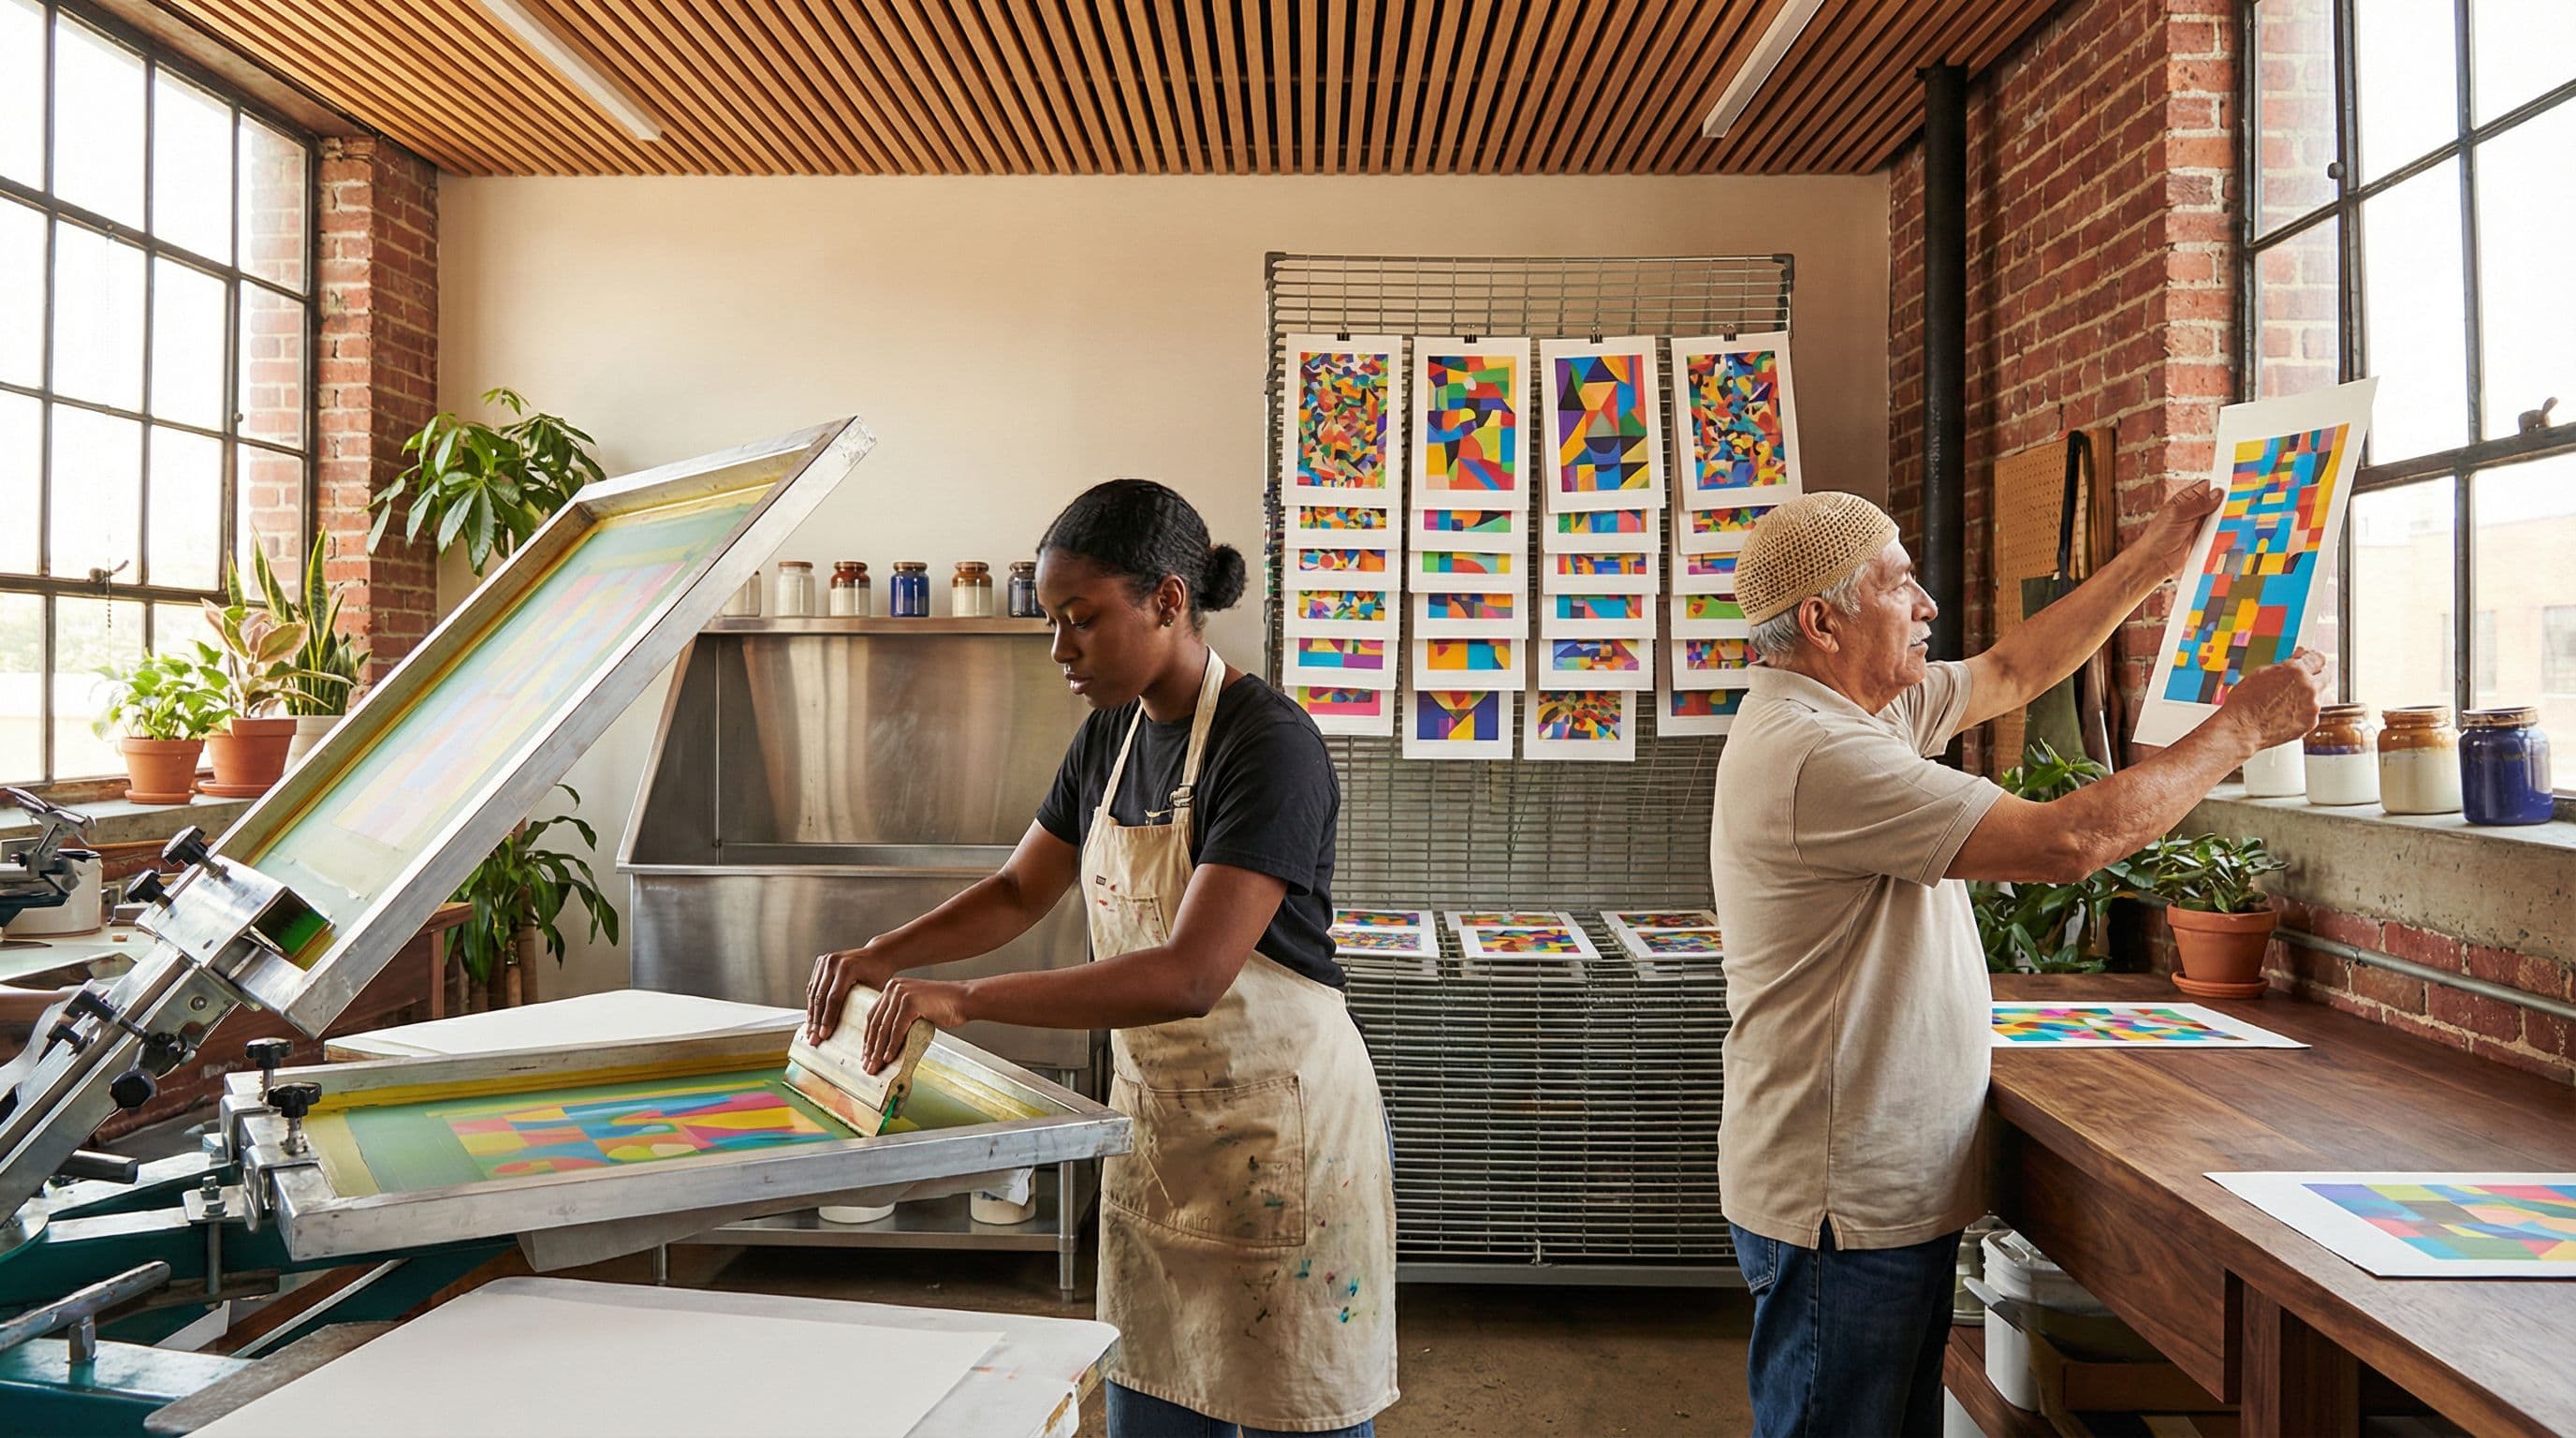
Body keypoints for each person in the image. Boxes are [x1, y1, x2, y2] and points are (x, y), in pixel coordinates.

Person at [1711, 487, 2327, 1436]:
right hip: (1843, 1201)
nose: (1926, 608)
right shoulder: (1815, 749)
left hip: (1873, 1188)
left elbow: (2009, 668)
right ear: (1823, 623)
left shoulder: (1859, 711)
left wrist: (2152, 561)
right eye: (1900, 584)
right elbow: (2064, 844)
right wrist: (2239, 730)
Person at [807, 479, 1398, 1438]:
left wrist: (962, 998)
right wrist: (876, 957)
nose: (1060, 650)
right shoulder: (1109, 735)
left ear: (1168, 600)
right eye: (1052, 622)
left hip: (1278, 1143)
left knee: (1295, 1401)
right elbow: (1016, 891)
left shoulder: (1267, 744)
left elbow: (1190, 975)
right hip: (1161, 1141)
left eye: (1080, 621)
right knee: (1154, 1398)